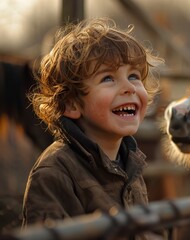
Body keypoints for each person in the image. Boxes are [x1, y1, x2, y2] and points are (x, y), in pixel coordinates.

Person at [21, 17, 163, 237]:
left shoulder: (130, 165)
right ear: (71, 104)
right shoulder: (55, 172)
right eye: (108, 78)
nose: (129, 88)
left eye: (134, 76)